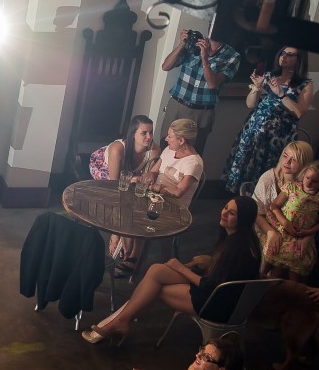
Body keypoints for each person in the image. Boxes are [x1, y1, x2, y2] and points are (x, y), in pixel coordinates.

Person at [82, 196, 261, 344]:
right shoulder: (243, 240)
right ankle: (121, 321)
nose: (224, 213)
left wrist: (180, 268)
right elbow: (223, 273)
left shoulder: (236, 249)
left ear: (243, 220)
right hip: (222, 294)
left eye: (232, 213)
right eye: (225, 207)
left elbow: (211, 285)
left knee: (155, 287)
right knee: (156, 270)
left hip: (217, 303)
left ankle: (120, 321)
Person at [113, 119, 202, 279]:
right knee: (125, 202)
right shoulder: (169, 150)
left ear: (181, 141)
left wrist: (158, 188)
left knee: (139, 212)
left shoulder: (194, 163)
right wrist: (142, 179)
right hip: (154, 198)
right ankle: (127, 252)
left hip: (173, 208)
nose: (166, 139)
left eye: (170, 136)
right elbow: (153, 173)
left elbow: (179, 192)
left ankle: (133, 256)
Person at [224, 46, 312, 193]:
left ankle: (260, 205)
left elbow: (299, 113)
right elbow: (250, 104)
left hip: (278, 137)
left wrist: (281, 94)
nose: (284, 57)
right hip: (254, 131)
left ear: (299, 60)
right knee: (244, 167)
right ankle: (239, 202)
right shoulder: (269, 76)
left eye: (290, 55)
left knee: (268, 172)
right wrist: (257, 87)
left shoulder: (305, 84)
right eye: (282, 53)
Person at [160, 29, 241, 154]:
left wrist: (205, 58)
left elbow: (212, 83)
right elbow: (166, 66)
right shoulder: (193, 44)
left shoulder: (232, 56)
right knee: (165, 149)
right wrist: (182, 44)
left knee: (191, 154)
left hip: (201, 112)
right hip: (177, 105)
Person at [262, 161, 319, 281]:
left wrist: (308, 233)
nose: (309, 182)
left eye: (314, 181)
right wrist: (285, 223)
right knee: (273, 254)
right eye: (307, 177)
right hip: (282, 229)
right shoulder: (292, 187)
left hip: (301, 235)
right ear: (304, 175)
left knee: (299, 260)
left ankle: (291, 291)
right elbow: (274, 207)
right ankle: (259, 279)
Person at [251, 141, 314, 235]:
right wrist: (272, 234)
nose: (287, 162)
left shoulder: (308, 185)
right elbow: (256, 213)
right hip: (265, 229)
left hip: (293, 234)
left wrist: (306, 236)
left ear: (304, 164)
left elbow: (313, 219)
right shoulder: (268, 178)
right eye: (285, 156)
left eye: (294, 159)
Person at [89, 114, 158, 181]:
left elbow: (147, 179)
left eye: (151, 132)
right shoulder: (117, 149)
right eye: (144, 133)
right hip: (105, 167)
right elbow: (113, 181)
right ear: (133, 134)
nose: (149, 137)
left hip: (127, 174)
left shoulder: (154, 150)